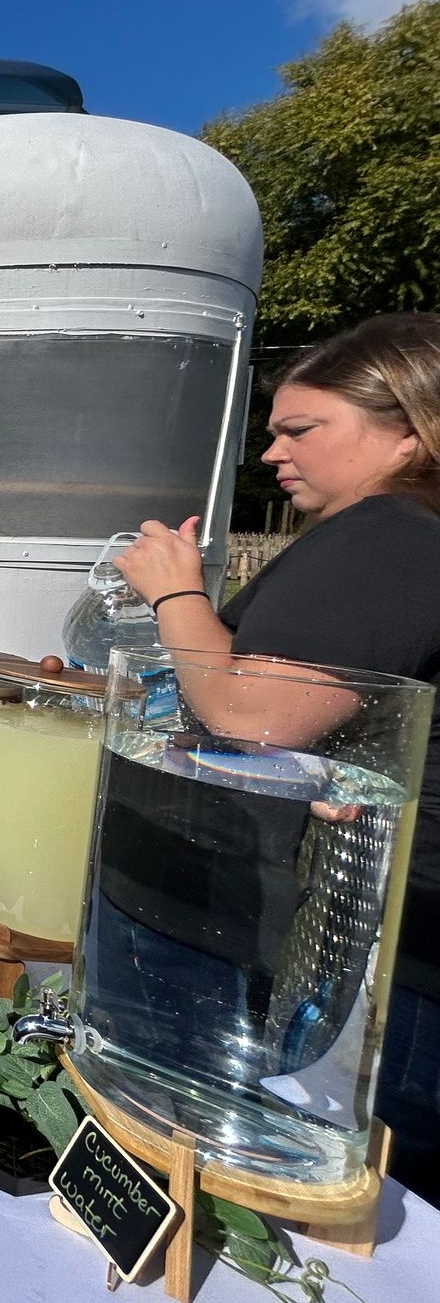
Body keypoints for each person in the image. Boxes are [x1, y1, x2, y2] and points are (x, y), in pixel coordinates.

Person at [115, 312, 440, 1206]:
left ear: (410, 428)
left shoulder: (393, 537)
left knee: (372, 1198)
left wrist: (175, 587)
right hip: (379, 936)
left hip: (400, 960)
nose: (272, 453)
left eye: (302, 429)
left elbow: (250, 710)